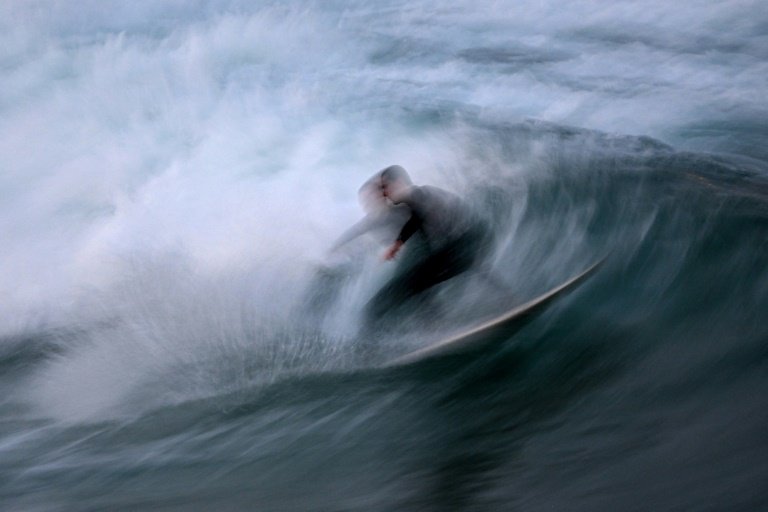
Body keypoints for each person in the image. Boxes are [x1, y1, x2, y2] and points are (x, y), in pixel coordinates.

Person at [363, 165, 490, 330]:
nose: (385, 193)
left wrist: (399, 243)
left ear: (399, 182)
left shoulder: (419, 196)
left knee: (384, 300)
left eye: (386, 187)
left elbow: (422, 216)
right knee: (415, 283)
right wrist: (398, 243)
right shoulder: (420, 198)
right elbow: (417, 219)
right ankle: (436, 325)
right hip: (467, 246)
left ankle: (437, 326)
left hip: (461, 248)